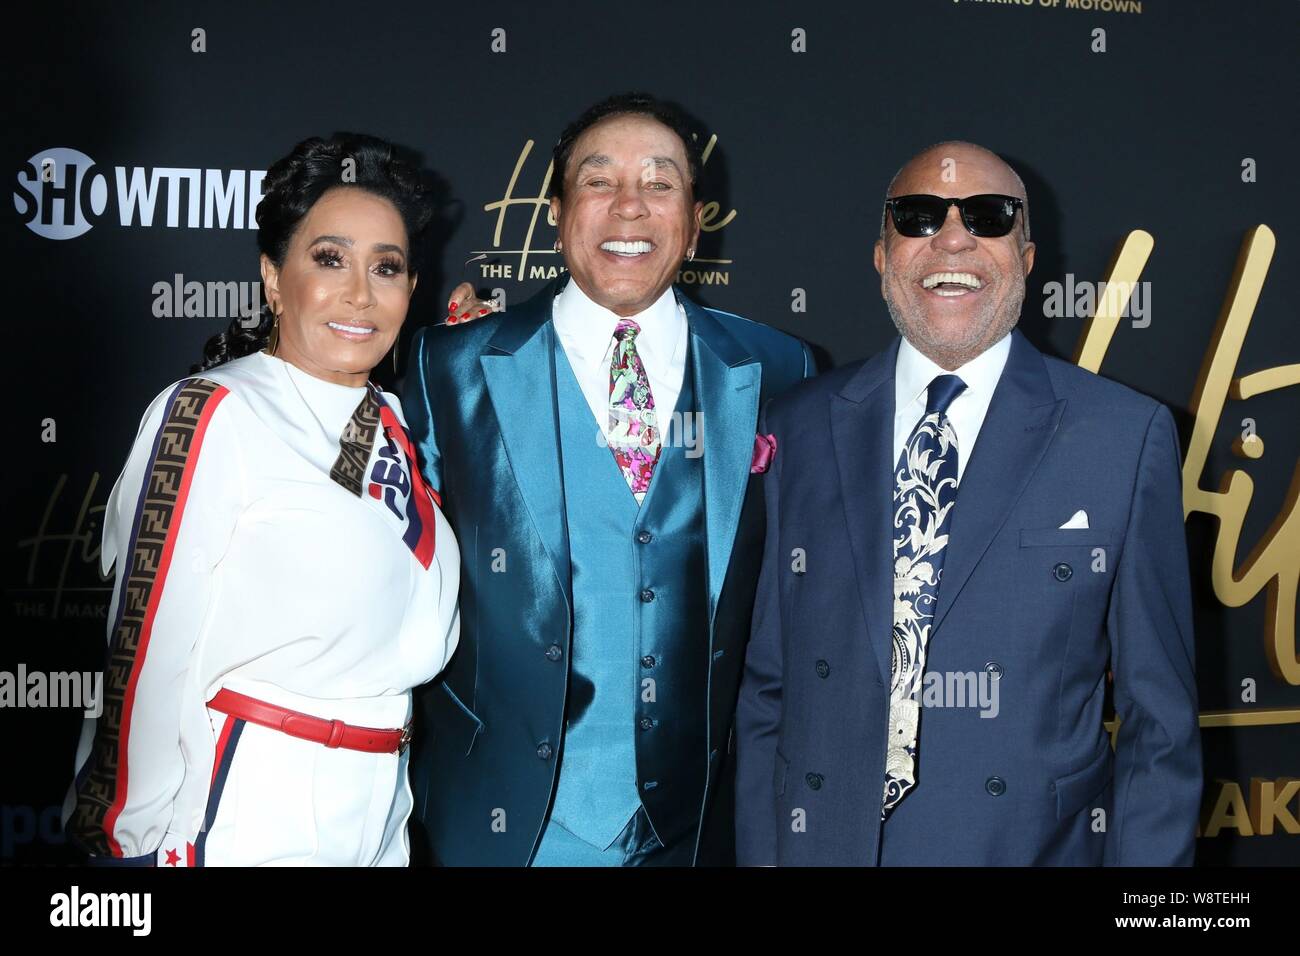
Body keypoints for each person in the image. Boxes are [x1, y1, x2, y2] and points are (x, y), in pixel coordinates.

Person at [734, 141, 1202, 866]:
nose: (953, 237)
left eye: (988, 217)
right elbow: (769, 687)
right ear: (884, 256)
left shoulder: (1123, 434)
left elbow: (1160, 726)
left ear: (1026, 255)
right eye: (918, 217)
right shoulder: (796, 424)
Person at [402, 92, 815, 866]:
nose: (630, 207)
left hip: (698, 832)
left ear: (695, 222)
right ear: (557, 213)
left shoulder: (780, 371)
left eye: (661, 184)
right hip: (503, 829)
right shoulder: (449, 366)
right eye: (599, 181)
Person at [64, 133, 460, 866]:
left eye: (388, 267)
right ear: (274, 278)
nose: (360, 294)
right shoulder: (215, 410)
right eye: (330, 258)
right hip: (248, 806)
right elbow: (145, 648)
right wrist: (127, 838)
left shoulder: (394, 422)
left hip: (380, 805)